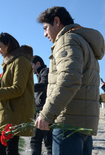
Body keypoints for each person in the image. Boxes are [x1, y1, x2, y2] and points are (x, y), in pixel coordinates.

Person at [35, 6, 105, 155]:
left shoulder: (67, 40)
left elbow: (69, 79)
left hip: (68, 124)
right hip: (82, 124)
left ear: (57, 21)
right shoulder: (84, 43)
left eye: (46, 28)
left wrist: (46, 114)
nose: (44, 34)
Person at [0, 32, 35, 155]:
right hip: (10, 112)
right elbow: (11, 87)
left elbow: (18, 89)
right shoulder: (11, 62)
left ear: (8, 45)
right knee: (11, 149)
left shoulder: (20, 61)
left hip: (15, 113)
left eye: (0, 47)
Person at [30, 55, 52, 155]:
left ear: (38, 63)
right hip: (44, 110)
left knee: (36, 140)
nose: (31, 69)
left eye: (31, 66)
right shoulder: (40, 73)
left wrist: (26, 87)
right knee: (48, 141)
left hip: (45, 110)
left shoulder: (45, 71)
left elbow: (44, 85)